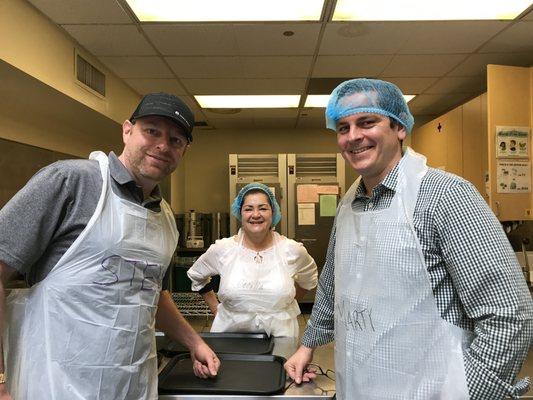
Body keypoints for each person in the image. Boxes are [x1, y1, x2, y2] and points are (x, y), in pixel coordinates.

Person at [284, 78, 533, 400]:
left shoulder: (446, 196)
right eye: (343, 127)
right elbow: (332, 286)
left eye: (367, 122)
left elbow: (508, 313)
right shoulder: (348, 204)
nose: (353, 136)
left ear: (399, 127)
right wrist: (308, 345)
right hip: (358, 384)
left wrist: (468, 391)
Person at [0, 92, 220, 400]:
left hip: (132, 384)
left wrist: (194, 342)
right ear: (127, 130)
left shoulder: (166, 219)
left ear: (184, 151)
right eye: (152, 131)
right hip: (51, 384)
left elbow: (150, 295)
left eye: (175, 140)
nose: (162, 145)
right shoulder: (70, 182)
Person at [187, 183, 318, 339]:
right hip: (229, 338)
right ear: (240, 213)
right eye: (248, 209)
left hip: (281, 339)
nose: (256, 214)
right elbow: (197, 275)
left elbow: (309, 279)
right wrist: (216, 309)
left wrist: (285, 303)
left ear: (273, 212)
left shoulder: (292, 250)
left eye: (263, 208)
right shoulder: (223, 249)